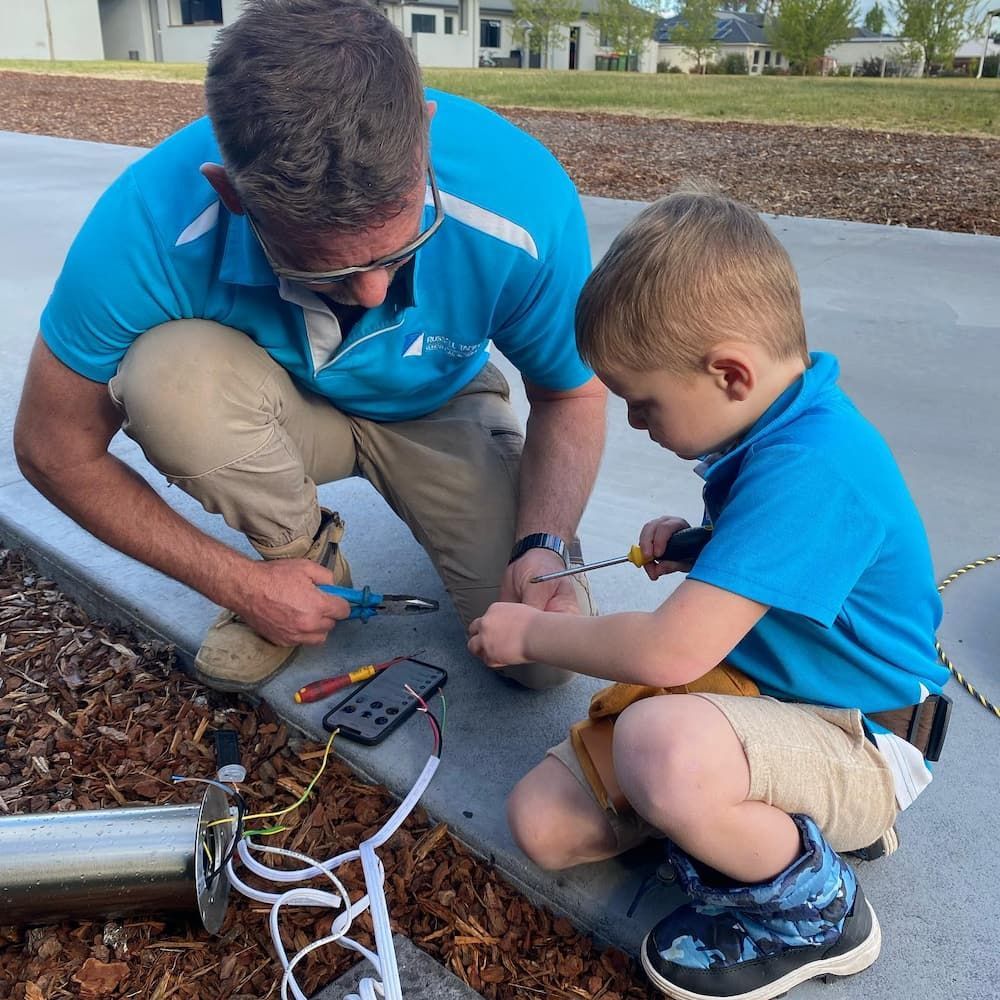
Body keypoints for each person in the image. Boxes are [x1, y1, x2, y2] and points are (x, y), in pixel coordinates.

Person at [13, 0, 605, 693]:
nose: (374, 293)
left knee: (542, 659)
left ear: (425, 133)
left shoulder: (522, 201)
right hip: (274, 401)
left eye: (401, 247)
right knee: (167, 378)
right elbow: (52, 449)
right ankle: (301, 561)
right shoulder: (149, 222)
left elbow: (571, 393)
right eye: (325, 269)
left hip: (439, 402)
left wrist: (543, 544)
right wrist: (239, 584)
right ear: (230, 193)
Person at [468, 188, 950, 1000]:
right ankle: (765, 824)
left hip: (860, 735)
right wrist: (704, 547)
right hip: (760, 694)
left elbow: (671, 651)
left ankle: (819, 911)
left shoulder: (818, 467)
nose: (634, 422)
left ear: (729, 373)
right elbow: (784, 564)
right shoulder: (772, 426)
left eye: (643, 402)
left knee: (659, 747)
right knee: (543, 827)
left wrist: (529, 635)